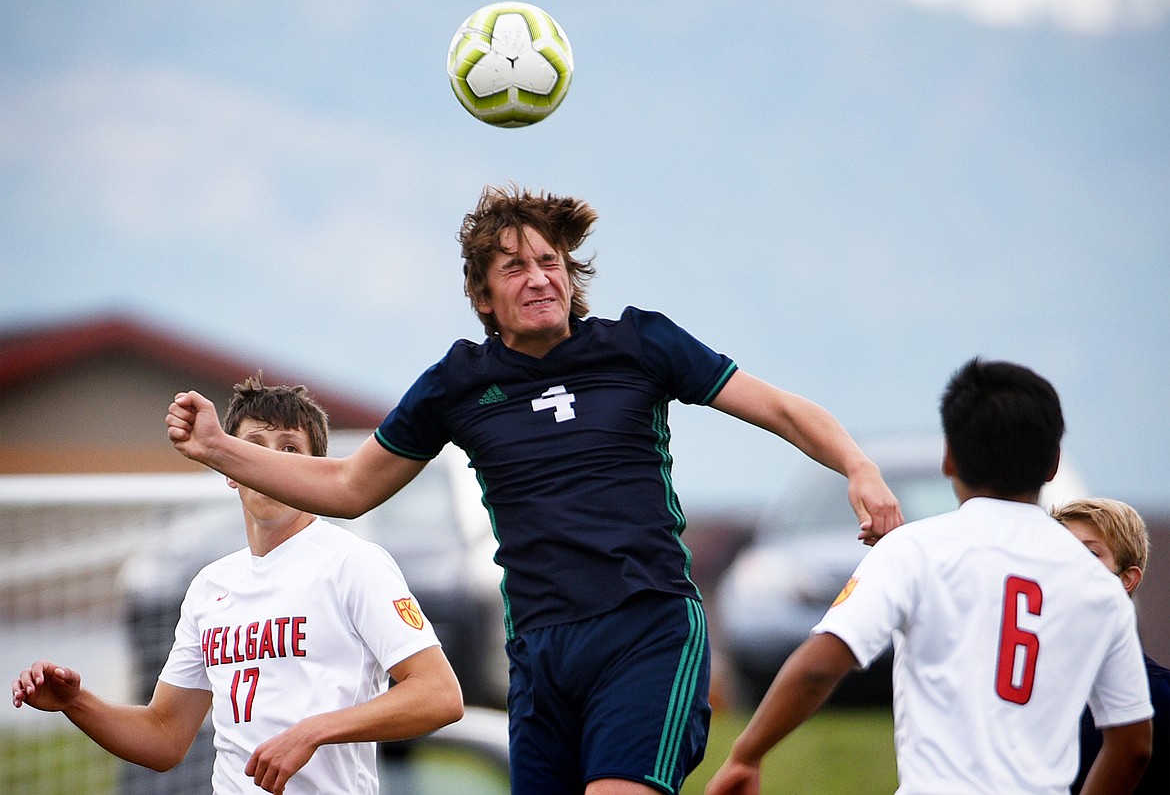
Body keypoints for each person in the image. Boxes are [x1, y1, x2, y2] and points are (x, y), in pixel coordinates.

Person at [164, 184, 903, 795]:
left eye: (550, 261)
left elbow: (777, 406)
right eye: (514, 267)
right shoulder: (457, 384)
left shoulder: (641, 345)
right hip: (541, 655)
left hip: (646, 629)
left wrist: (857, 467)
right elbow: (352, 486)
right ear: (482, 296)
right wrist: (220, 449)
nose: (541, 277)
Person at [705, 357, 1154, 795]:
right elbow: (1133, 745)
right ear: (1053, 463)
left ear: (949, 459)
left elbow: (819, 668)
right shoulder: (1100, 586)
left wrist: (746, 755)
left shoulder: (913, 549)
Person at [13, 374, 464, 795]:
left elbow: (439, 695)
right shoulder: (210, 585)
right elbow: (164, 737)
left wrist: (314, 730)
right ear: (232, 469)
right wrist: (76, 702)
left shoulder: (353, 562)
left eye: (289, 450)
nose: (268, 462)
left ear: (315, 470)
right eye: (255, 447)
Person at [1050, 498, 1170, 795]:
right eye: (1061, 552)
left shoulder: (1160, 695)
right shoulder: (1020, 676)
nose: (1069, 565)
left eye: (1089, 554)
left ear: (1127, 579)